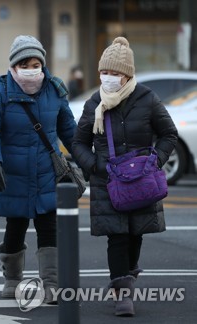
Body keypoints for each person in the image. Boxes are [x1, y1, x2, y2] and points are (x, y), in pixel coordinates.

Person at [71, 37, 177, 316]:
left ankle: (126, 278)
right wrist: (94, 166)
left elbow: (169, 134)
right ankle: (123, 293)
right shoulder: (95, 102)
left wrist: (157, 160)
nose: (108, 78)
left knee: (135, 234)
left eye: (114, 73)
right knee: (117, 236)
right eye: (104, 72)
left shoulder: (147, 99)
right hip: (107, 181)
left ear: (128, 75)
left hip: (142, 179)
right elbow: (78, 142)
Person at [0, 35, 77, 304]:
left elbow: (69, 130)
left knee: (48, 227)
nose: (31, 69)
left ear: (42, 64)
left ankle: (51, 284)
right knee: (16, 226)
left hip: (48, 172)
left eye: (36, 64)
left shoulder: (54, 90)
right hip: (14, 172)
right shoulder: (1, 91)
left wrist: (85, 157)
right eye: (25, 64)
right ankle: (12, 280)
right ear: (14, 66)